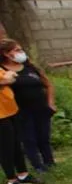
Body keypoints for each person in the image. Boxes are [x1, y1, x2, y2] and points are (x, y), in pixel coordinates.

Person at [1, 40, 56, 174]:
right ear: (6, 54)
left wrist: (50, 103)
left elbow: (48, 84)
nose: (21, 53)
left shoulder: (30, 67)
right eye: (17, 50)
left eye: (21, 49)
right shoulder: (3, 72)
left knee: (44, 137)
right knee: (29, 139)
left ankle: (49, 163)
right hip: (21, 111)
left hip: (41, 108)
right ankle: (37, 166)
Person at [0, 61, 40, 184]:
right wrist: (6, 78)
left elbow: (9, 76)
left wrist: (7, 78)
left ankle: (23, 174)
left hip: (10, 109)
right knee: (6, 148)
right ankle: (11, 182)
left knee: (17, 144)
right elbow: (8, 78)